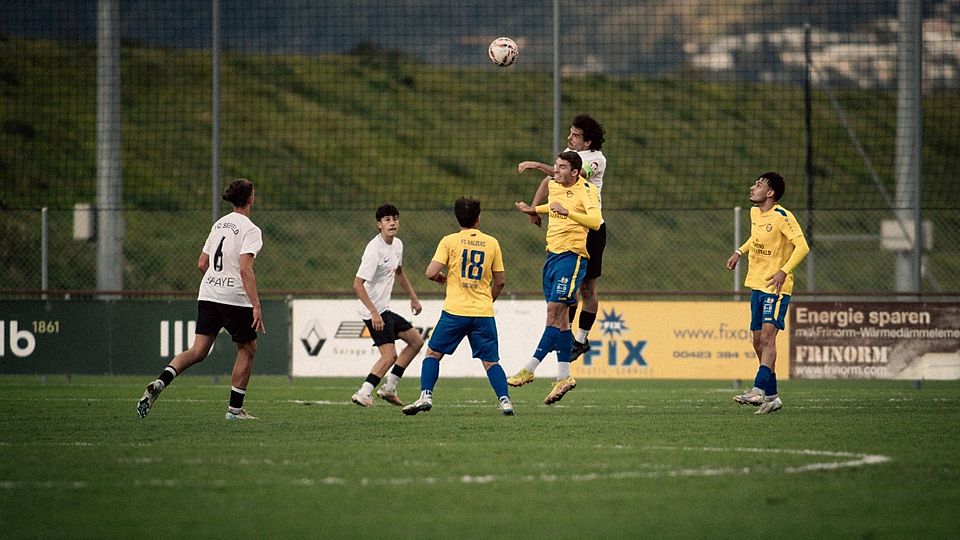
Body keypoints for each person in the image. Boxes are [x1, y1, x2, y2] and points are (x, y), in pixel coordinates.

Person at [137, 178, 265, 420]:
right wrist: (256, 305)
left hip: (207, 292)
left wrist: (216, 281)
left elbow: (202, 263)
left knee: (198, 350)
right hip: (233, 296)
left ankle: (161, 381)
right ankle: (235, 411)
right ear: (250, 198)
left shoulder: (219, 225)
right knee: (247, 348)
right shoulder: (251, 230)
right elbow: (245, 270)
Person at [402, 197, 513, 416]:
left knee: (433, 354)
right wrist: (486, 301)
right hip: (482, 312)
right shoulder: (492, 243)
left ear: (457, 218)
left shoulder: (449, 241)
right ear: (478, 218)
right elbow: (500, 281)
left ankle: (426, 395)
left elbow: (430, 272)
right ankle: (505, 401)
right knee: (491, 361)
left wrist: (440, 277)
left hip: (455, 311)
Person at [510, 151, 602, 405]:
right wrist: (532, 209)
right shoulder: (555, 185)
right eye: (555, 166)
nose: (556, 171)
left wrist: (569, 213)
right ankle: (564, 377)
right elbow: (552, 207)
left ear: (574, 172)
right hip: (551, 255)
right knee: (561, 321)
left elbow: (594, 222)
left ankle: (530, 368)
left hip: (572, 256)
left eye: (561, 167)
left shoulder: (587, 190)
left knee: (554, 311)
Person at [517, 114, 607, 361]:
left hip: (589, 228)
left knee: (588, 288)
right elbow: (552, 180)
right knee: (569, 288)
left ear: (587, 142)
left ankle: (580, 340)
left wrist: (536, 164)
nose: (569, 138)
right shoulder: (570, 152)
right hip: (565, 228)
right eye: (570, 133)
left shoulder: (596, 160)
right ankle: (563, 338)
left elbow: (567, 176)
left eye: (575, 135)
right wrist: (534, 210)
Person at [726, 172, 809, 414]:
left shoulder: (783, 216)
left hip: (776, 288)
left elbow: (803, 246)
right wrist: (739, 252)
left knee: (768, 339)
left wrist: (784, 271)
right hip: (757, 284)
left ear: (770, 193)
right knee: (757, 341)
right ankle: (772, 397)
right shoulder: (755, 213)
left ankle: (758, 389)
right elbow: (757, 237)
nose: (753, 188)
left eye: (759, 185)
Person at [351, 203, 424, 407]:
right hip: (372, 311)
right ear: (379, 225)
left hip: (384, 309)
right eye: (387, 220)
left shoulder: (397, 245)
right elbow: (357, 284)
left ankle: (389, 387)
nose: (392, 223)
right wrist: (374, 313)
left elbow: (398, 272)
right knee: (389, 355)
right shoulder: (374, 250)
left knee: (416, 341)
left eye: (395, 219)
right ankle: (364, 392)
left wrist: (413, 297)